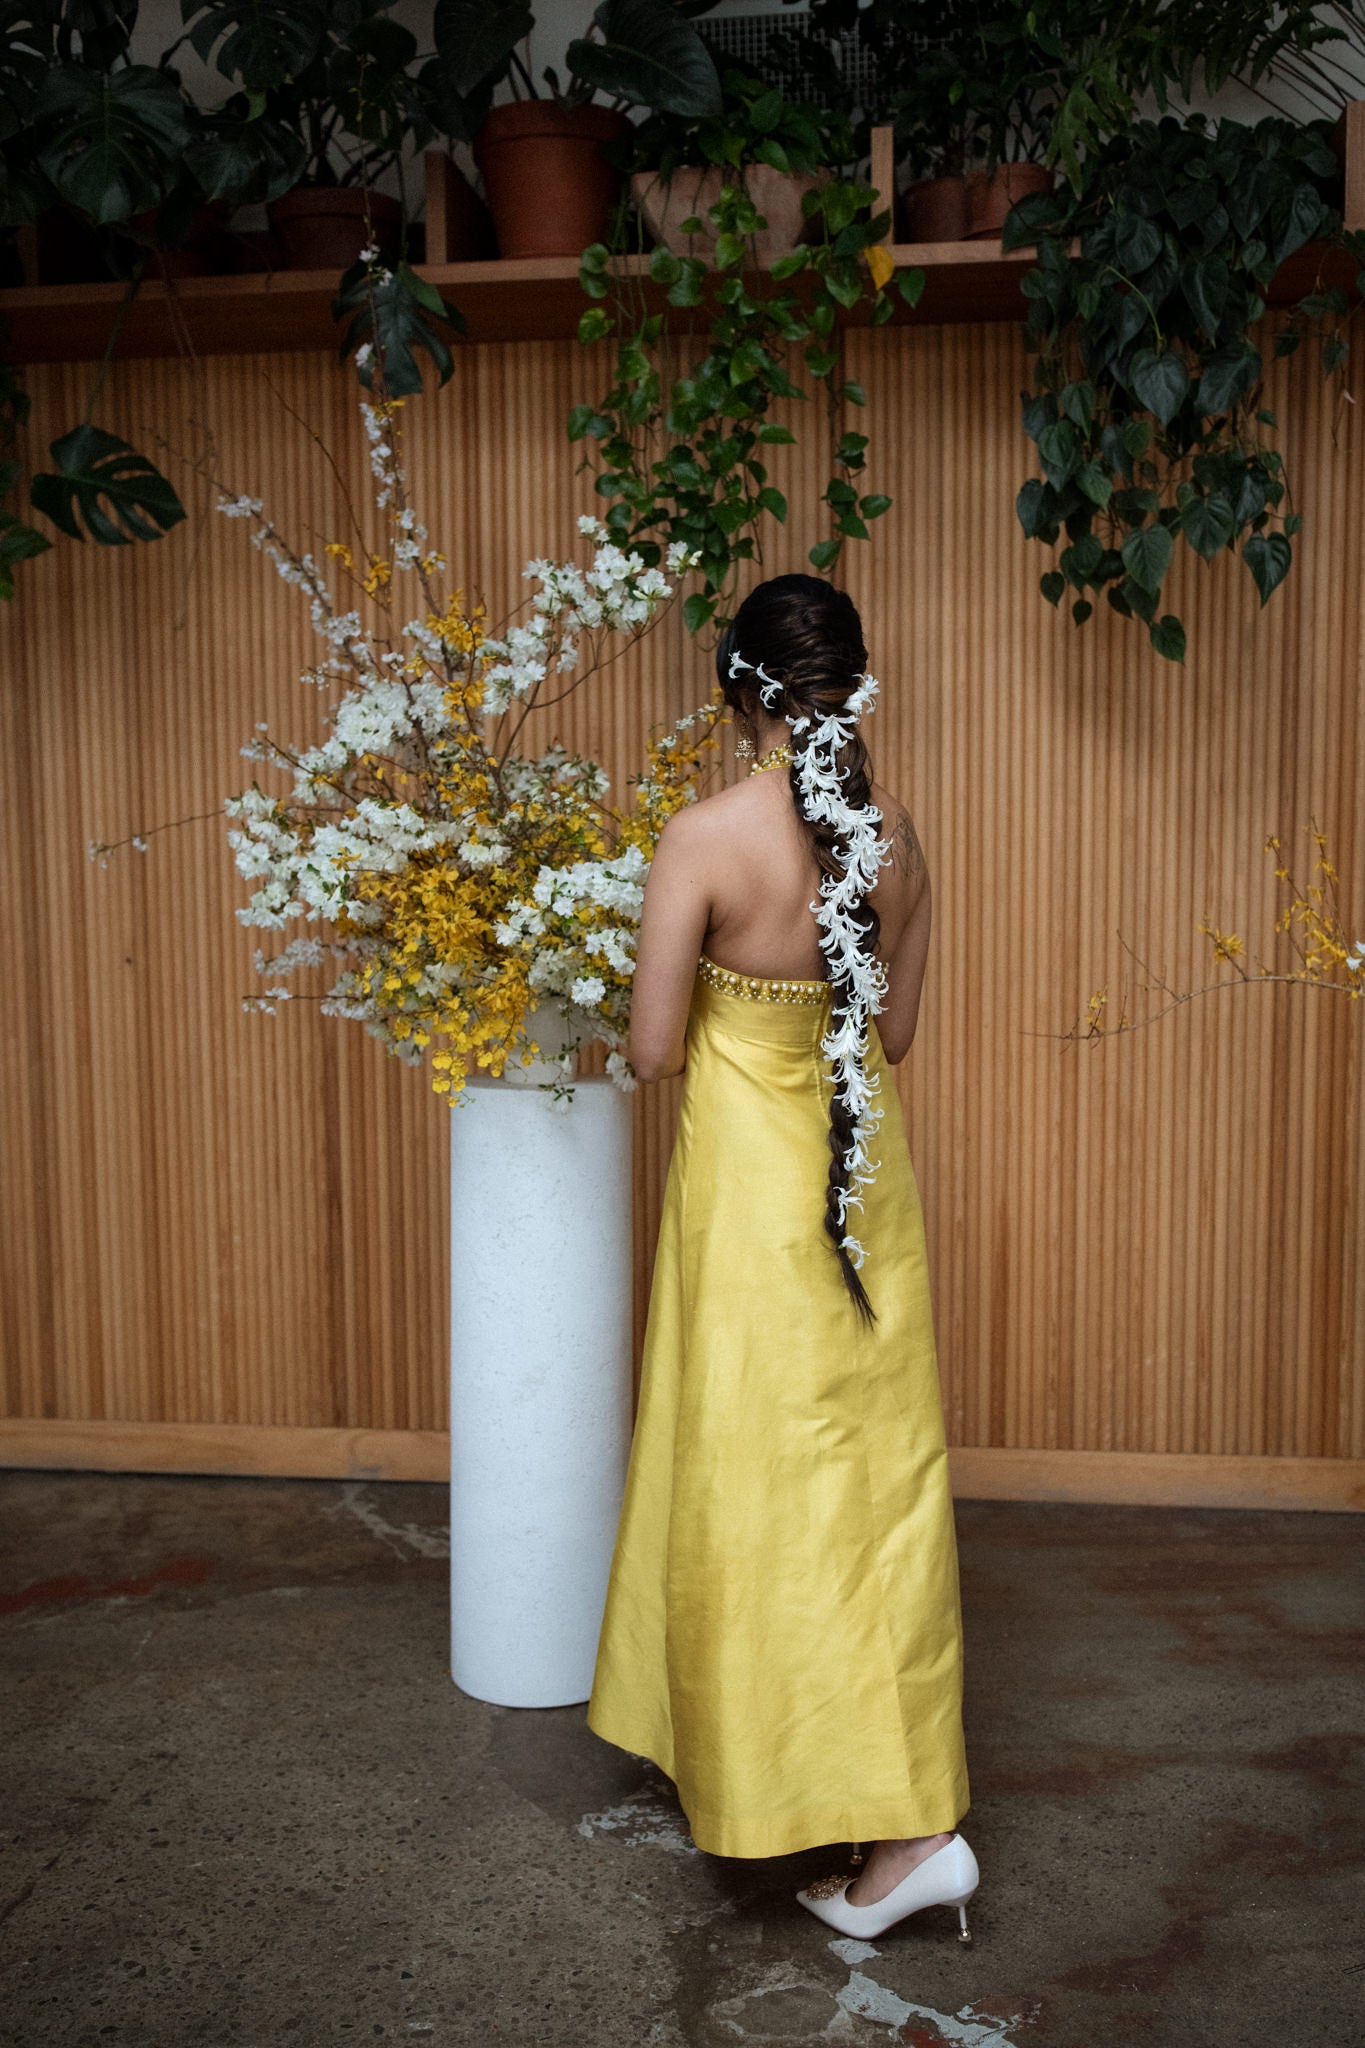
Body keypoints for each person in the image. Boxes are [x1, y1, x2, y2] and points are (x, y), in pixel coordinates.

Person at [585, 573, 978, 1943]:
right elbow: (896, 1037)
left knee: (750, 1479)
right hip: (864, 1205)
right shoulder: (899, 841)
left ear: (733, 689)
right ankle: (904, 1818)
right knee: (871, 1499)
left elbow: (650, 1051)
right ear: (848, 687)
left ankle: (822, 1798)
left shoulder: (702, 839)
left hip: (753, 1211)